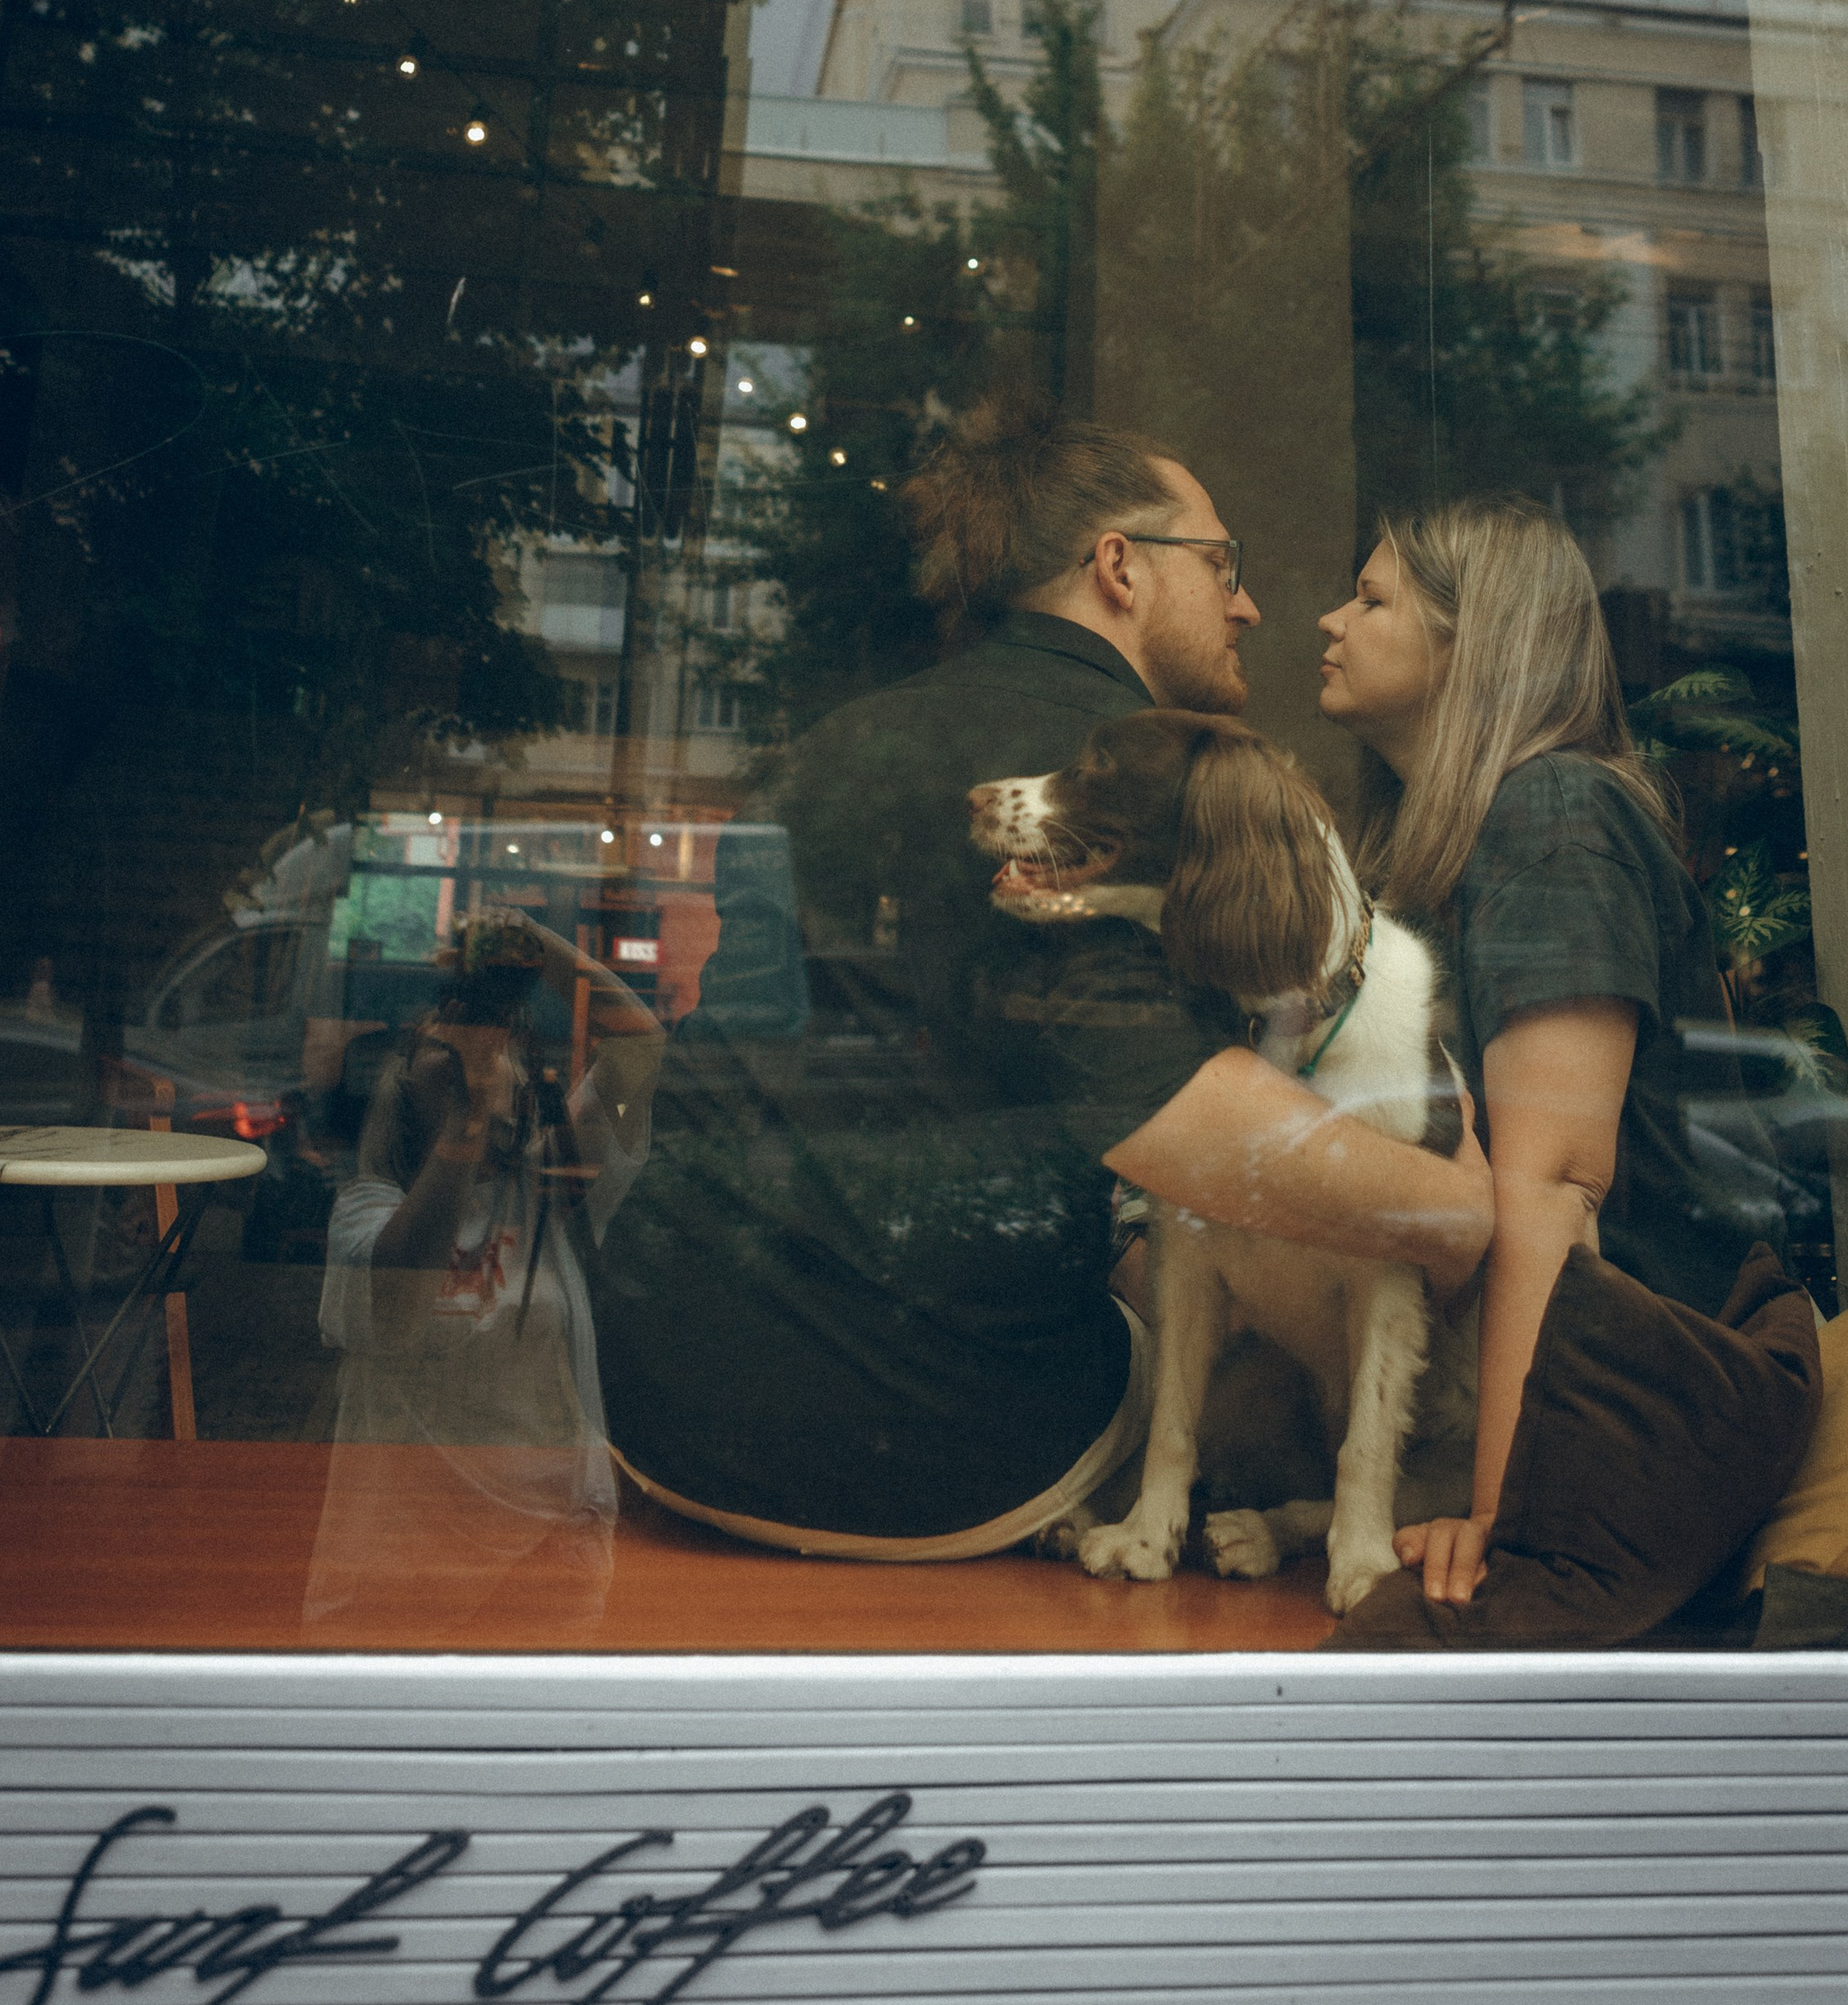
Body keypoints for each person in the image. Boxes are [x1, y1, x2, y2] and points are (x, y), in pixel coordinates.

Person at [589, 396, 1266, 1554]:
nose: (1247, 602)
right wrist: (1461, 1220)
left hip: (649, 1388)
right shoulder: (1144, 779)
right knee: (1248, 1378)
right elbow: (1164, 1114)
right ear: (1120, 567)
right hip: (917, 1446)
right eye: (1223, 565)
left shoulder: (836, 747)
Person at [1114, 494, 1750, 1613]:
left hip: (1598, 1410)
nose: (1326, 621)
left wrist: (1510, 1512)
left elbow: (1554, 1185)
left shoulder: (1557, 820)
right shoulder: (1450, 838)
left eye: (1371, 599)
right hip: (1480, 1386)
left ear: (1473, 641)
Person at [307, 917, 661, 1636]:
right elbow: (400, 1310)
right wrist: (467, 1124)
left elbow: (639, 1044)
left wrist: (531, 944)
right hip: (403, 1570)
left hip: (553, 1546)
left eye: (491, 1043)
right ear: (399, 1083)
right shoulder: (364, 1211)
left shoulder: (549, 1186)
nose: (471, 1057)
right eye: (444, 1045)